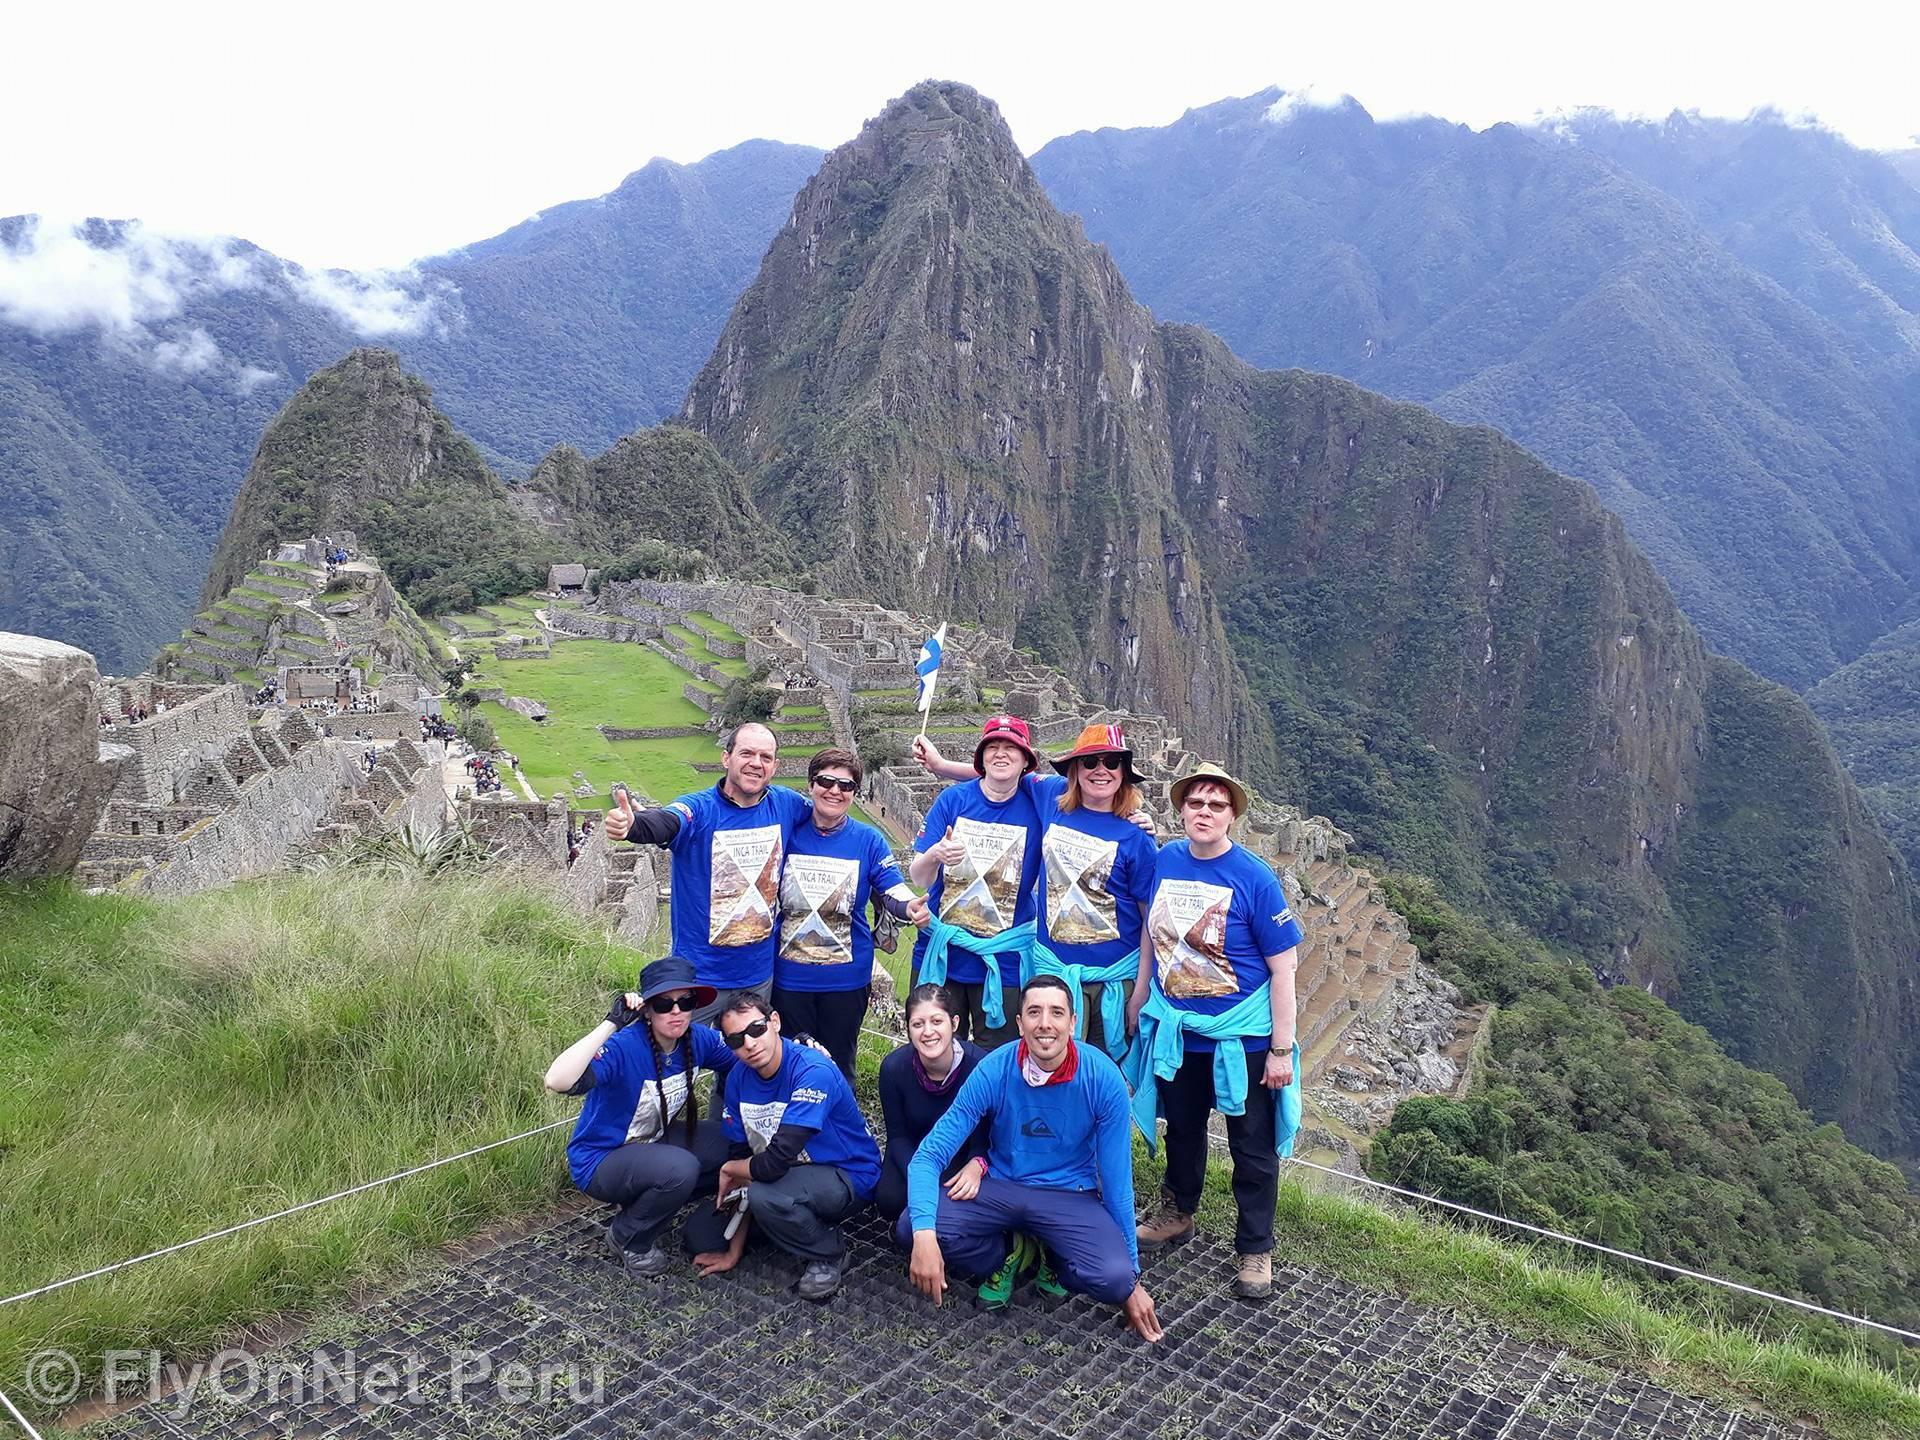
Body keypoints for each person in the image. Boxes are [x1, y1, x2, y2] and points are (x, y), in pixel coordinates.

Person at [1125, 762, 1305, 1301]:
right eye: (1196, 803)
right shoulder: (1166, 861)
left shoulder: (1254, 878)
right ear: (1181, 809)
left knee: (1250, 1145)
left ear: (1232, 816)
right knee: (1182, 1127)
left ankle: (1255, 1246)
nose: (1204, 812)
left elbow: (1284, 967)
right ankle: (1178, 1212)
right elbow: (1152, 939)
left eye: (1216, 805)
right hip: (1180, 1033)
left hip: (1241, 1039)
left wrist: (1279, 1050)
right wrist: (1140, 997)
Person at [905, 975, 1162, 1339]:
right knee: (910, 1228)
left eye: (1057, 1013)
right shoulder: (995, 1068)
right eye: (1034, 1012)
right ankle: (1009, 1251)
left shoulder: (1103, 1078)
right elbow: (928, 1157)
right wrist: (925, 1235)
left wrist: (1133, 1279)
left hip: (1069, 1193)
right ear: (1019, 1022)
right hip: (1002, 1186)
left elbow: (1119, 1184)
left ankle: (1055, 1257)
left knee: (1114, 1277)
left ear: (1073, 1023)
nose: (1045, 1023)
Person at [605, 722, 812, 1021]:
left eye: (765, 757)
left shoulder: (787, 804)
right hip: (698, 979)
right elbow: (670, 820)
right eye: (747, 753)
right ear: (726, 759)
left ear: (775, 766)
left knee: (746, 1064)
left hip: (756, 978)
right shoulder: (699, 808)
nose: (756, 763)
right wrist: (634, 826)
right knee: (682, 1063)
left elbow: (826, 817)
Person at [543, 956, 735, 1277]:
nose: (676, 1011)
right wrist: (612, 1022)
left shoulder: (697, 1040)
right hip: (602, 1159)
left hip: (654, 1143)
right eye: (663, 1003)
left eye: (685, 1001)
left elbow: (748, 1051)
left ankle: (653, 1202)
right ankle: (629, 1237)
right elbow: (557, 1080)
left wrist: (798, 1046)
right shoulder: (623, 1047)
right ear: (646, 1009)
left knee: (728, 1143)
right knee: (680, 1169)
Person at [682, 996, 882, 1301]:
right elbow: (742, 1157)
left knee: (767, 1195)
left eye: (756, 1029)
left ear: (774, 1022)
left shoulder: (812, 1070)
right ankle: (787, 1222)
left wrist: (730, 1169)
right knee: (701, 1236)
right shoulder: (737, 1078)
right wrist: (733, 1251)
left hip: (847, 1174)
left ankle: (829, 1252)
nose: (749, 1043)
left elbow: (768, 1164)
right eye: (736, 1039)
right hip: (783, 1176)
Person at [773, 748, 925, 1081]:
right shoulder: (788, 832)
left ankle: (839, 1132)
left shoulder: (868, 839)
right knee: (788, 1063)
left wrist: (909, 905)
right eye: (826, 781)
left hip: (846, 982)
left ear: (855, 793)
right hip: (789, 978)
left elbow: (891, 886)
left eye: (846, 785)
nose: (835, 791)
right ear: (811, 784)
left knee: (839, 1067)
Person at [905, 715, 1046, 1047]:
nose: (1001, 754)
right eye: (992, 747)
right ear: (980, 757)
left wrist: (1131, 815)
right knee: (932, 1054)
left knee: (995, 1059)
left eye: (1011, 748)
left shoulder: (1038, 806)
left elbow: (1090, 798)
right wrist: (936, 854)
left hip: (1004, 962)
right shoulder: (954, 801)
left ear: (1026, 760)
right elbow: (919, 876)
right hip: (942, 955)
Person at [875, 984, 990, 1233]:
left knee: (959, 1198)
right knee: (888, 1200)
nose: (928, 1032)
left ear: (954, 1023)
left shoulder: (980, 1066)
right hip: (915, 1154)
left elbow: (987, 1135)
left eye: (937, 1021)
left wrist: (976, 1164)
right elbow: (897, 1137)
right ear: (908, 1029)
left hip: (962, 1155)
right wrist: (923, 1179)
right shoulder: (894, 1069)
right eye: (918, 1024)